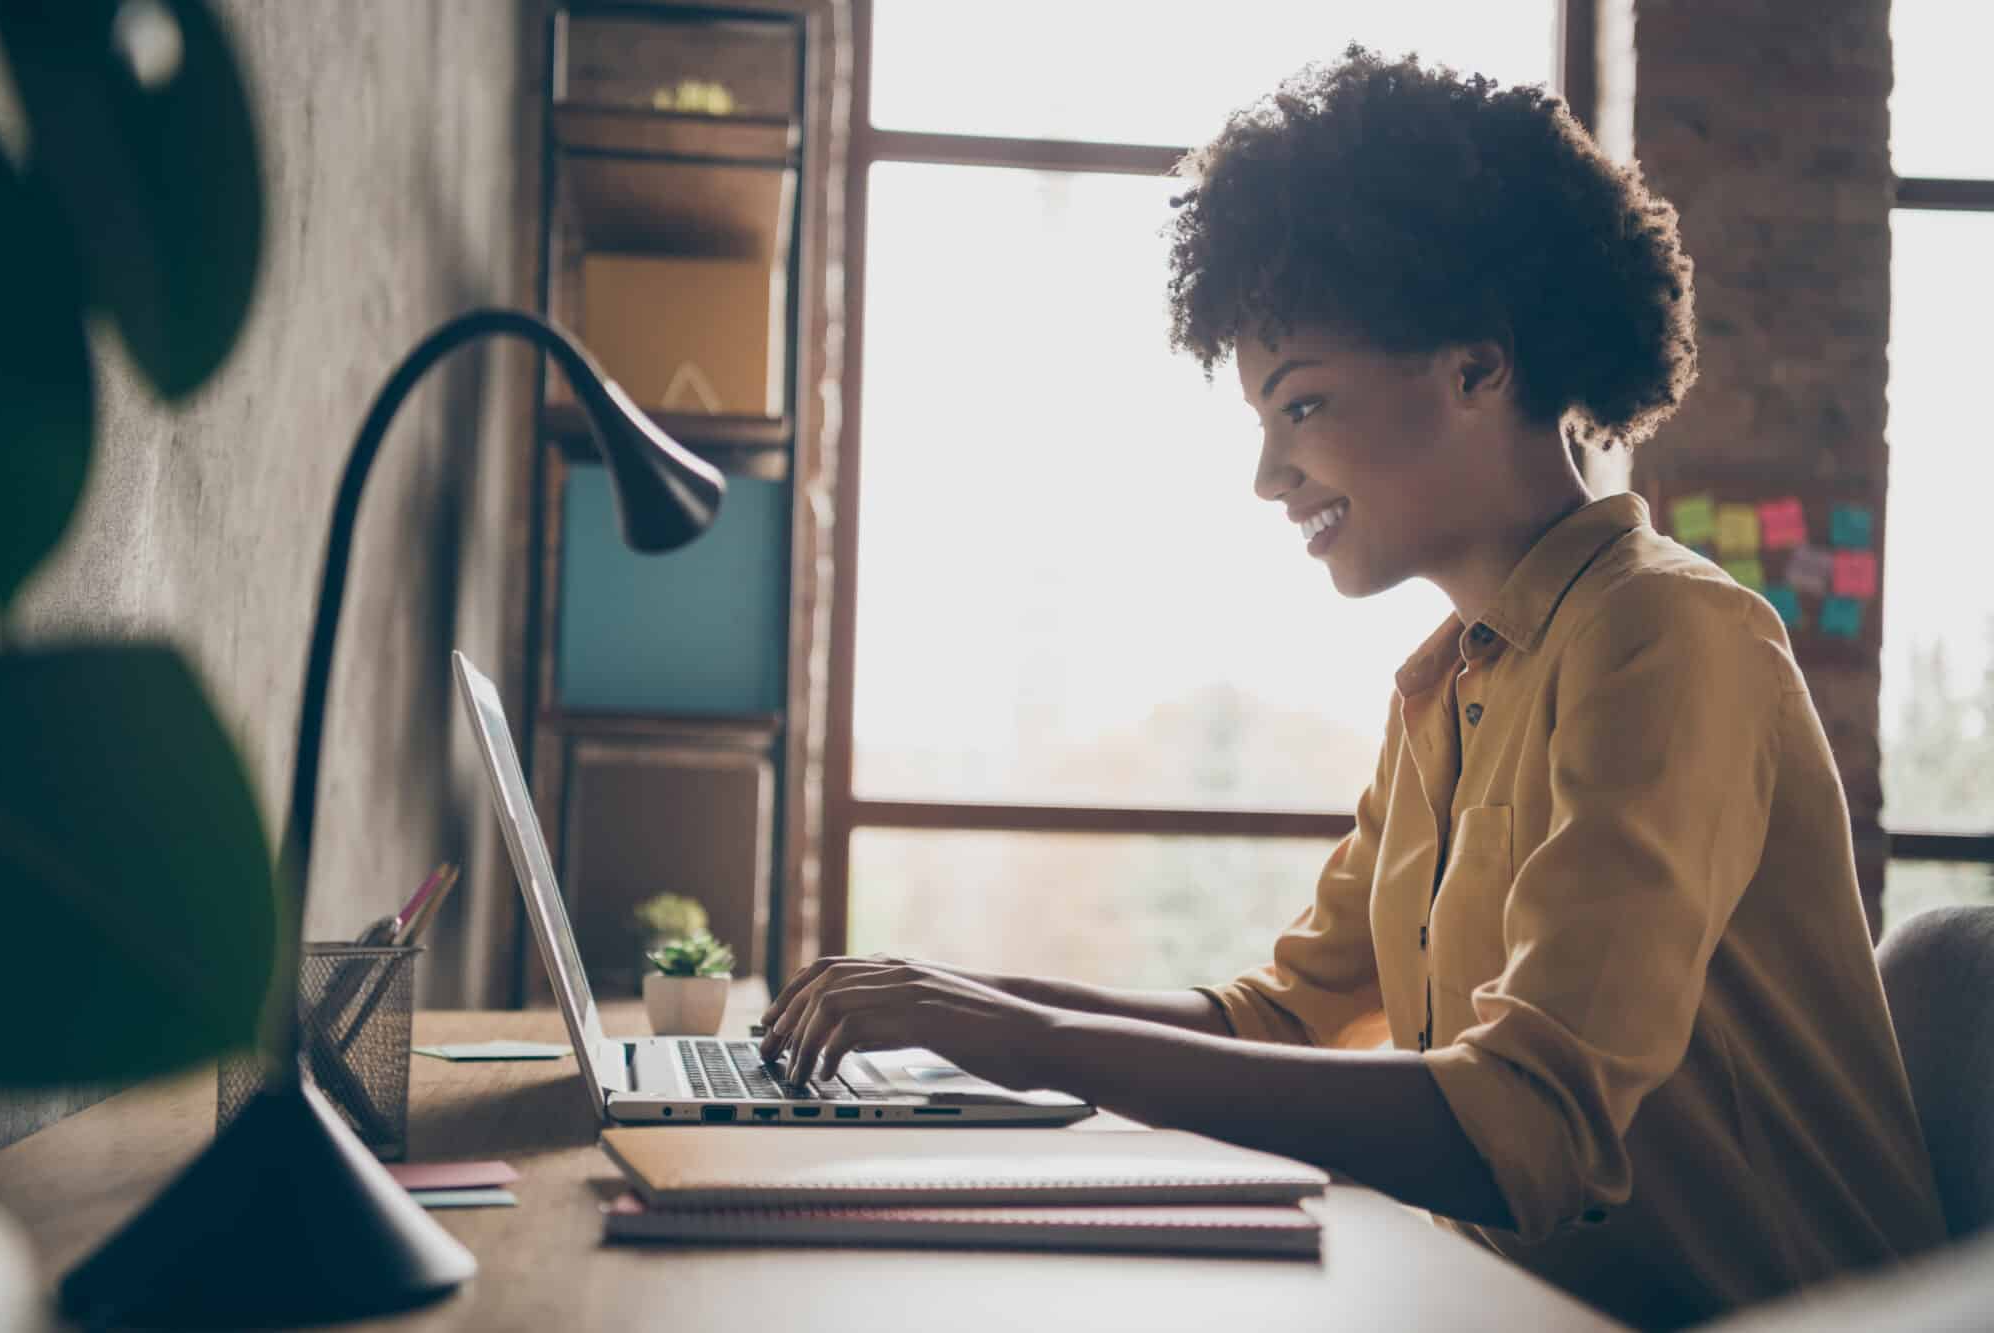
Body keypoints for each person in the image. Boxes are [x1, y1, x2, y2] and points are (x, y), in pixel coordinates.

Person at [757, 46, 1946, 1329]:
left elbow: (1524, 1125)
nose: (1269, 477)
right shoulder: (1448, 685)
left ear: (1478, 366)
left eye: (1302, 405)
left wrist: (1023, 1043)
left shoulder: (1671, 637)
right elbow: (1277, 1019)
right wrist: (966, 1005)